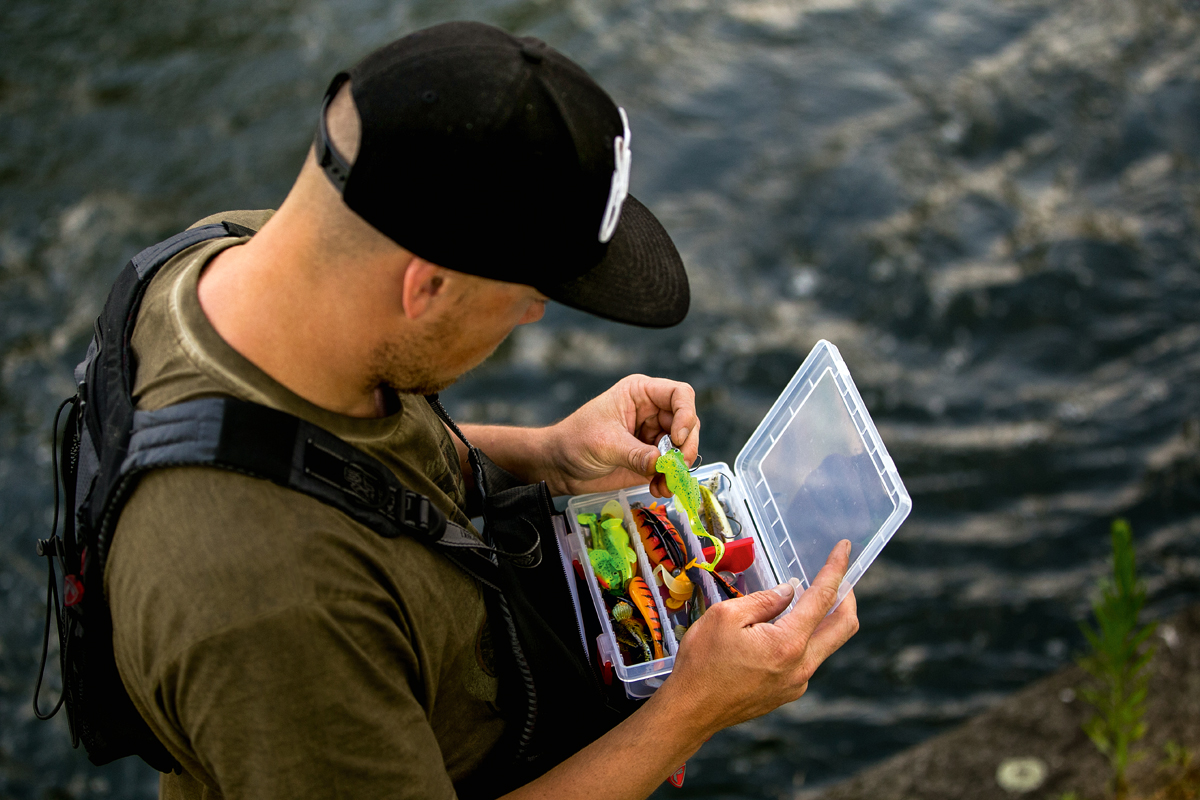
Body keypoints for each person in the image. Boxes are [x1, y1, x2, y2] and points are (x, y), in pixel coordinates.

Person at [104, 21, 860, 800]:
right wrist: (688, 710)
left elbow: (327, 455)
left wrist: (546, 454)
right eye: (529, 300)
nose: (532, 321)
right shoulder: (271, 611)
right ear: (425, 286)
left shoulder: (231, 259)